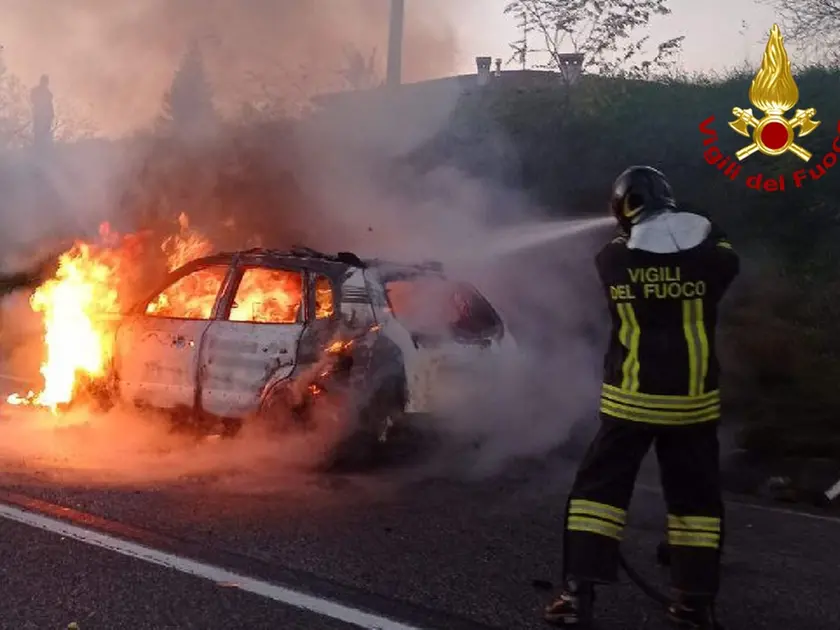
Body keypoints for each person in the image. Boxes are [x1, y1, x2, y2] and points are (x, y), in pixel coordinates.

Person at [544, 166, 740, 629]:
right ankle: (693, 604)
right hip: (693, 401)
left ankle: (576, 595)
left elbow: (617, 243)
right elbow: (725, 251)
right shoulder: (711, 260)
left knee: (598, 494)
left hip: (631, 399)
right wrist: (701, 222)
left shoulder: (614, 260)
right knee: (695, 501)